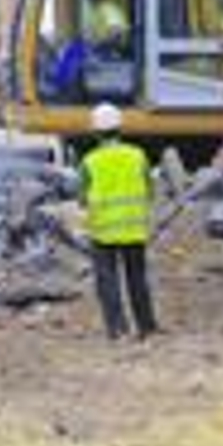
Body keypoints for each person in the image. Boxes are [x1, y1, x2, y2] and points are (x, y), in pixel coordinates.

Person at [79, 103, 159, 342]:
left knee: (108, 282)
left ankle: (118, 329)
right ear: (119, 128)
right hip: (134, 230)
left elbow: (82, 199)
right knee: (137, 279)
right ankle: (146, 326)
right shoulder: (138, 156)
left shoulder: (89, 162)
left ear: (95, 132)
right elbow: (149, 190)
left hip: (103, 233)